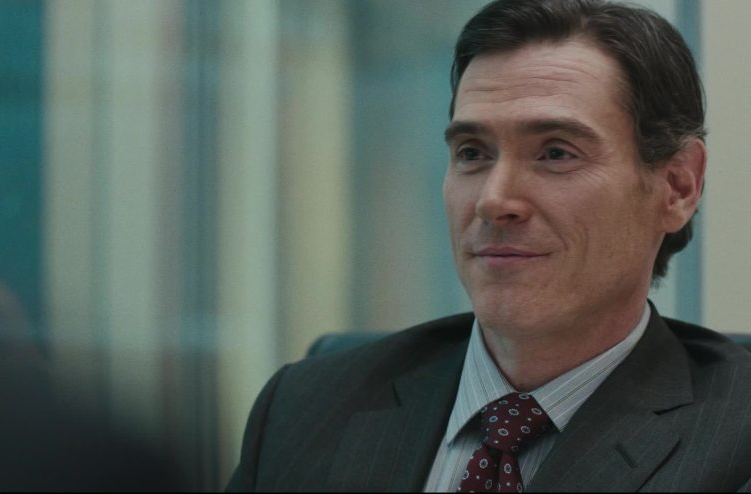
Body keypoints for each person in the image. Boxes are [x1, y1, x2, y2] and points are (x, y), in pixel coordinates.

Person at [226, 0, 751, 491]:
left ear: (677, 187)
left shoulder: (737, 439)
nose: (493, 201)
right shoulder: (305, 408)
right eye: (472, 153)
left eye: (556, 153)